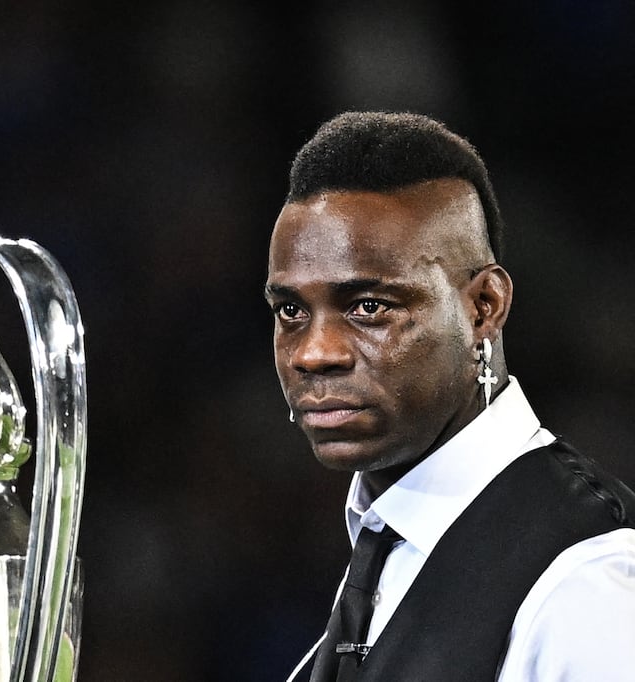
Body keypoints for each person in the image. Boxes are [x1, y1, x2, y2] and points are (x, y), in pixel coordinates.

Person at [265, 111, 635, 681]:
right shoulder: (385, 541)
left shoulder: (586, 580)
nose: (314, 353)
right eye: (291, 310)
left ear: (483, 306)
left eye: (368, 307)